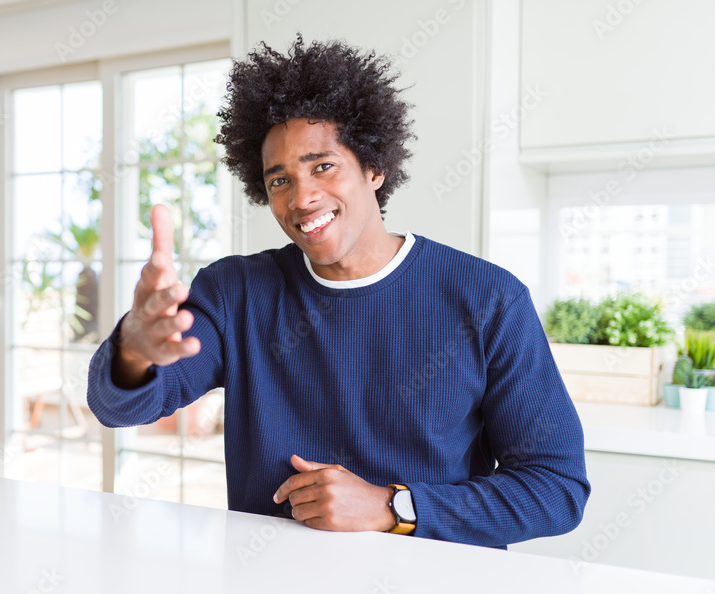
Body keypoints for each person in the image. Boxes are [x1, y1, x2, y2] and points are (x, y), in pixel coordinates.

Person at [87, 35, 589, 548]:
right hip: (271, 574)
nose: (302, 198)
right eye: (279, 180)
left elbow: (557, 488)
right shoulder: (235, 292)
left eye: (322, 166)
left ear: (374, 168)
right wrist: (132, 350)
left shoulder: (488, 299)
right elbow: (117, 408)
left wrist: (391, 507)